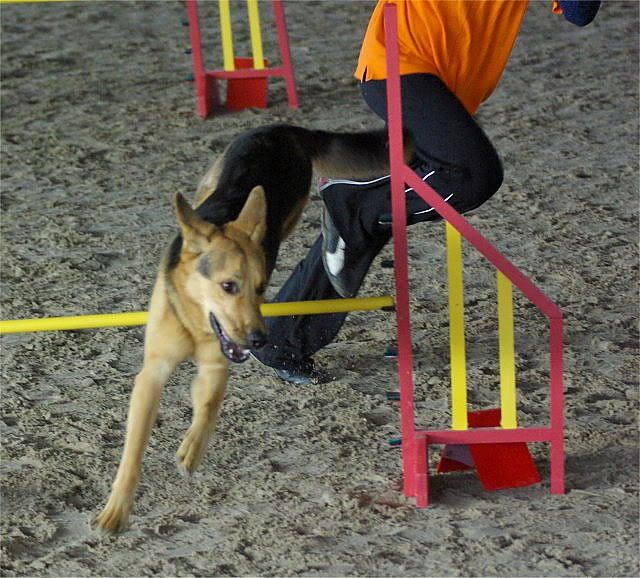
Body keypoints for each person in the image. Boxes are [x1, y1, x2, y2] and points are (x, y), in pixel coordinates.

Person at [253, 0, 601, 385]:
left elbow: (579, 11)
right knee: (473, 176)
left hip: (445, 86)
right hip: (403, 62)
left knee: (372, 220)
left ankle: (281, 341)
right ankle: (353, 203)